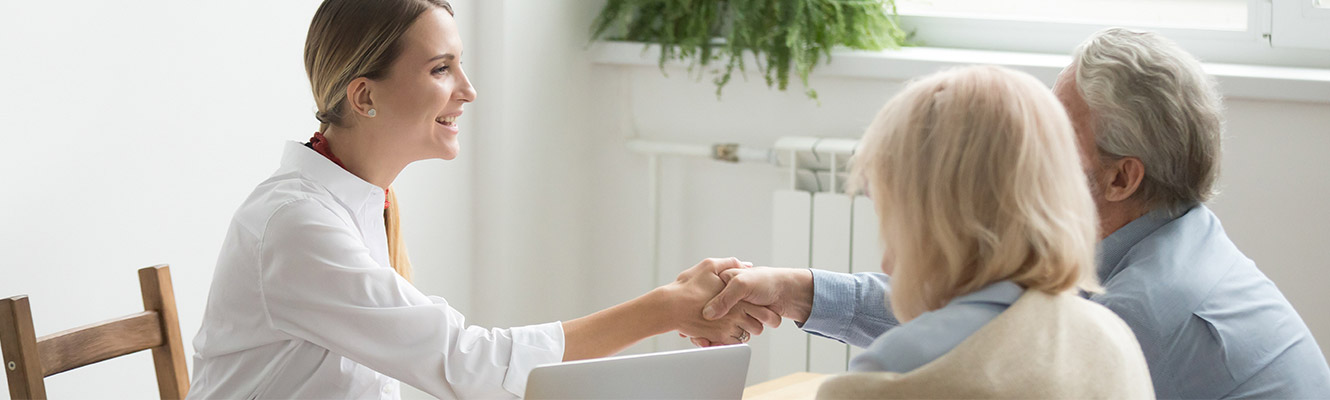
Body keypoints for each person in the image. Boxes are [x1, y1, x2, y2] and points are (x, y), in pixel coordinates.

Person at [186, 1, 776, 398]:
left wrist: (670, 307)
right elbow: (470, 364)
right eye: (442, 69)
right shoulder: (298, 226)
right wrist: (665, 308)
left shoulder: (364, 202)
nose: (468, 91)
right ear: (364, 97)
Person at [700, 28, 1330, 398]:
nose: (1035, 143)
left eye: (1058, 127)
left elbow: (976, 349)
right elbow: (979, 321)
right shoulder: (1180, 245)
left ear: (1120, 176)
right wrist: (800, 292)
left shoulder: (1131, 311)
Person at [802, 65, 1151, 397]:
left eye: (890, 219)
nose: (888, 260)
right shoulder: (1113, 339)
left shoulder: (894, 371)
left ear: (929, 221)